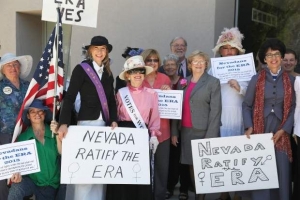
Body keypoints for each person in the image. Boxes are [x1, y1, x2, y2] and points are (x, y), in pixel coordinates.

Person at [57, 35, 118, 200]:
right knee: (85, 173)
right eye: (96, 48)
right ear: (90, 50)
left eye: (103, 49)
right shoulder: (81, 69)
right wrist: (63, 123)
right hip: (86, 124)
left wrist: (113, 119)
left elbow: (111, 100)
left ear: (106, 52)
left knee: (99, 172)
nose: (100, 52)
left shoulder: (108, 73)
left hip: (104, 125)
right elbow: (69, 97)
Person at [243, 38, 295, 200]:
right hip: (260, 129)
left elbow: (294, 107)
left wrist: (284, 129)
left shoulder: (291, 80)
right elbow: (246, 105)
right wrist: (249, 126)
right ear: (264, 59)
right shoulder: (255, 79)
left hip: (281, 130)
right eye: (269, 55)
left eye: (277, 54)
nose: (273, 58)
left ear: (281, 57)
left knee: (281, 170)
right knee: (261, 170)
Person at [106, 55, 161, 200]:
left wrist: (154, 135)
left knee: (139, 173)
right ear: (128, 75)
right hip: (123, 136)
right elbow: (114, 116)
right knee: (122, 173)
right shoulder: (120, 93)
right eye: (134, 71)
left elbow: (154, 118)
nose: (138, 75)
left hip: (141, 135)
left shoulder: (152, 94)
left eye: (141, 71)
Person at [172, 50, 222, 200]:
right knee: (191, 165)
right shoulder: (183, 82)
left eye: (202, 61)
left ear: (206, 64)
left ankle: (200, 197)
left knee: (203, 166)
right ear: (190, 65)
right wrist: (174, 131)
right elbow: (176, 108)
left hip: (203, 131)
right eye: (195, 61)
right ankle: (198, 193)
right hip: (186, 130)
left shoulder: (213, 82)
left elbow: (216, 110)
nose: (199, 64)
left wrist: (211, 135)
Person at [211, 27, 248, 200]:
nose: (228, 52)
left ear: (237, 50)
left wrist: (239, 87)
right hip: (221, 117)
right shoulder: (213, 68)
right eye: (224, 48)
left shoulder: (246, 67)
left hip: (239, 116)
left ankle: (238, 194)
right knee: (223, 156)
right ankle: (224, 193)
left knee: (239, 155)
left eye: (231, 48)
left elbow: (254, 91)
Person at [7, 100, 61, 200]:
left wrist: (57, 134)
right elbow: (18, 164)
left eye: (40, 111)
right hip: (33, 183)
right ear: (28, 116)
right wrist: (16, 174)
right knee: (16, 187)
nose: (37, 114)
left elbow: (61, 152)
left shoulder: (54, 133)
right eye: (33, 112)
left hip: (53, 184)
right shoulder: (23, 138)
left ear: (44, 114)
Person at [0, 53, 32, 199]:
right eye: (9, 65)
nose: (12, 68)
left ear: (19, 68)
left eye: (15, 64)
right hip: (5, 136)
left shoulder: (28, 86)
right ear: (3, 70)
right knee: (6, 175)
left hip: (25, 135)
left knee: (24, 173)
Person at [141, 49, 171, 200]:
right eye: (149, 60)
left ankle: (159, 196)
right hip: (142, 130)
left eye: (155, 60)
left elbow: (173, 105)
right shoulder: (138, 78)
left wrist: (168, 91)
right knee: (143, 166)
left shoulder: (165, 79)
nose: (152, 63)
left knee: (161, 167)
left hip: (162, 130)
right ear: (144, 62)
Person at [163, 53, 190, 200]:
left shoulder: (184, 81)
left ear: (178, 66)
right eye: (167, 65)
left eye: (172, 64)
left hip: (182, 125)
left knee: (183, 157)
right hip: (165, 124)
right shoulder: (162, 81)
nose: (170, 67)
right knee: (171, 158)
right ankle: (170, 186)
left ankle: (184, 189)